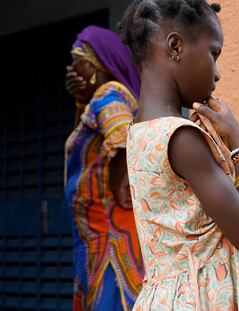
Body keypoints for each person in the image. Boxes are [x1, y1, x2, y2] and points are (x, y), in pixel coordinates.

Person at [118, 1, 239, 310]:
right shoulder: (181, 137)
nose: (217, 73)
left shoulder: (139, 131)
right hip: (202, 298)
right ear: (175, 46)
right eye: (214, 53)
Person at [64, 25, 144, 311]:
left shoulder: (110, 93)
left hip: (110, 241)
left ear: (100, 64)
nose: (72, 69)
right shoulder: (98, 101)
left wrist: (121, 174)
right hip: (99, 241)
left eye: (78, 60)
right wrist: (81, 101)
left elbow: (121, 130)